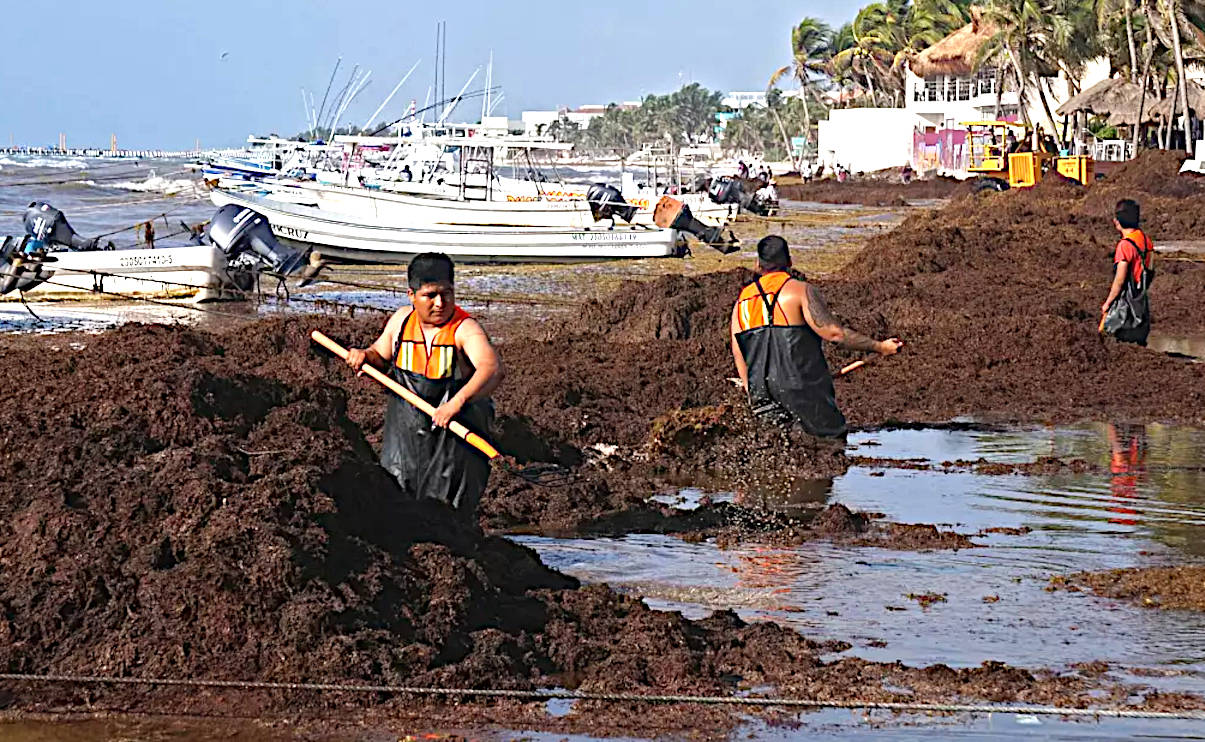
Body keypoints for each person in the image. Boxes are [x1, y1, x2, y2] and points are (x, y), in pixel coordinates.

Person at [345, 253, 503, 518]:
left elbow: (492, 369)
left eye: (447, 294)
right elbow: (378, 356)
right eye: (430, 296)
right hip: (404, 441)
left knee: (449, 516)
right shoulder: (401, 322)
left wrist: (456, 403)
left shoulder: (465, 330)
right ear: (412, 295)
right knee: (398, 509)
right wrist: (363, 356)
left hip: (453, 446)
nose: (440, 303)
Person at [730, 236, 903, 438]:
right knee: (829, 445)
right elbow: (835, 334)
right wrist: (880, 347)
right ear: (790, 262)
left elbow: (738, 351)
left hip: (761, 390)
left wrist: (753, 393)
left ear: (758, 264)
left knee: (776, 448)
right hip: (802, 390)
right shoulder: (800, 290)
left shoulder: (742, 301)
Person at [1101, 198, 1154, 346]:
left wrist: (1108, 303)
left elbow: (1120, 280)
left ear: (1118, 221)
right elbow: (1150, 269)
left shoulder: (1125, 246)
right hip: (1141, 301)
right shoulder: (1146, 240)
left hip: (1126, 305)